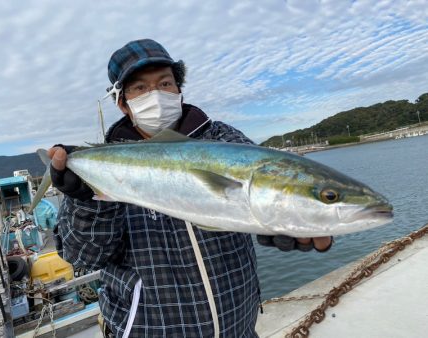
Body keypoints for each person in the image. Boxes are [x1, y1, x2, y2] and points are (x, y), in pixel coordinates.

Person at [50, 39, 332, 338]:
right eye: (140, 88)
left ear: (178, 89)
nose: (156, 94)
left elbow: (260, 193)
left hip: (239, 326)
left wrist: (283, 224)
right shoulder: (104, 165)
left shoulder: (223, 139)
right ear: (122, 102)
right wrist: (86, 201)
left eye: (165, 83)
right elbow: (82, 257)